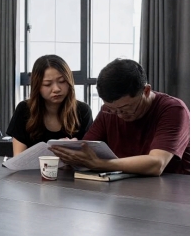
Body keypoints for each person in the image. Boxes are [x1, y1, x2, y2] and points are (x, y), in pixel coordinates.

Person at [50, 59, 190, 175]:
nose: (119, 115)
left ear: (146, 91)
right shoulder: (108, 111)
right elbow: (88, 149)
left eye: (125, 108)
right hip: (123, 185)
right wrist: (71, 150)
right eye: (112, 109)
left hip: (171, 189)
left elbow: (157, 164)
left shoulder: (173, 110)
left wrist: (101, 164)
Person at [7, 55, 93, 156]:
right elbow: (19, 157)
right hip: (33, 167)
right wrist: (53, 150)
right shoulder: (24, 109)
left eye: (62, 81)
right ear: (37, 86)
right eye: (47, 84)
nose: (56, 89)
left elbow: (88, 155)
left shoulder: (82, 110)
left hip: (72, 167)